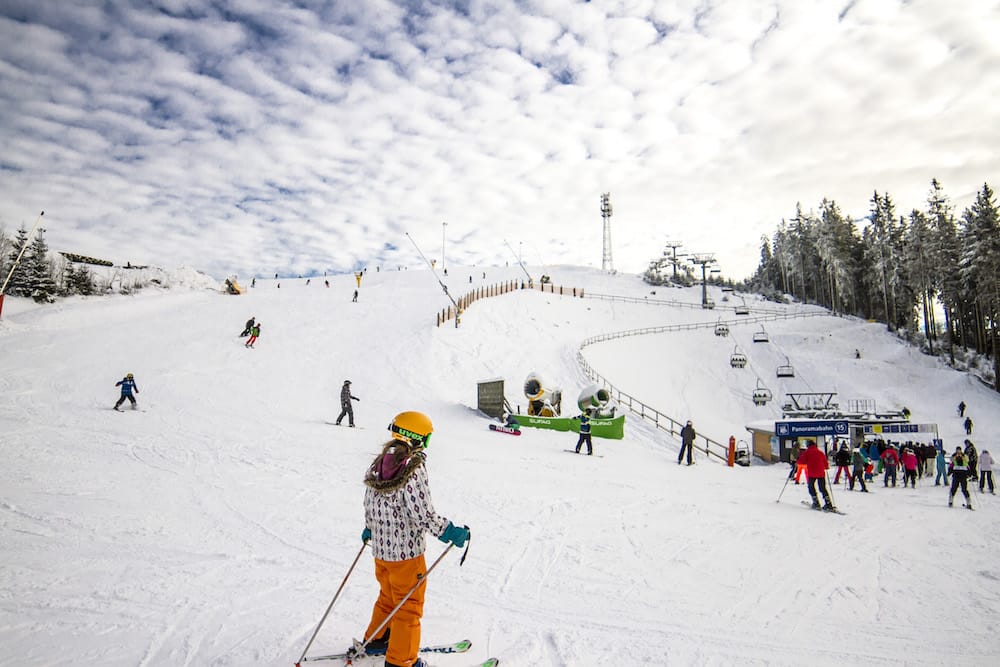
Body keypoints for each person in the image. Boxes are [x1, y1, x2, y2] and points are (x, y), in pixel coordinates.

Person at [354, 411, 469, 667]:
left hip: (382, 554)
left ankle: (377, 639)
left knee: (388, 597)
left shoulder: (379, 463)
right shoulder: (412, 469)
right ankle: (401, 661)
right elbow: (423, 514)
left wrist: (370, 529)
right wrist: (450, 531)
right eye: (426, 439)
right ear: (417, 438)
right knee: (408, 607)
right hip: (406, 555)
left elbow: (370, 503)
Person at [798, 440, 835, 510]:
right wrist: (826, 467)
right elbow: (825, 462)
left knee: (811, 487)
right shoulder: (820, 452)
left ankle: (816, 502)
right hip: (821, 473)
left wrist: (798, 459)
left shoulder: (807, 452)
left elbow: (801, 461)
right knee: (823, 488)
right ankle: (828, 503)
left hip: (812, 472)